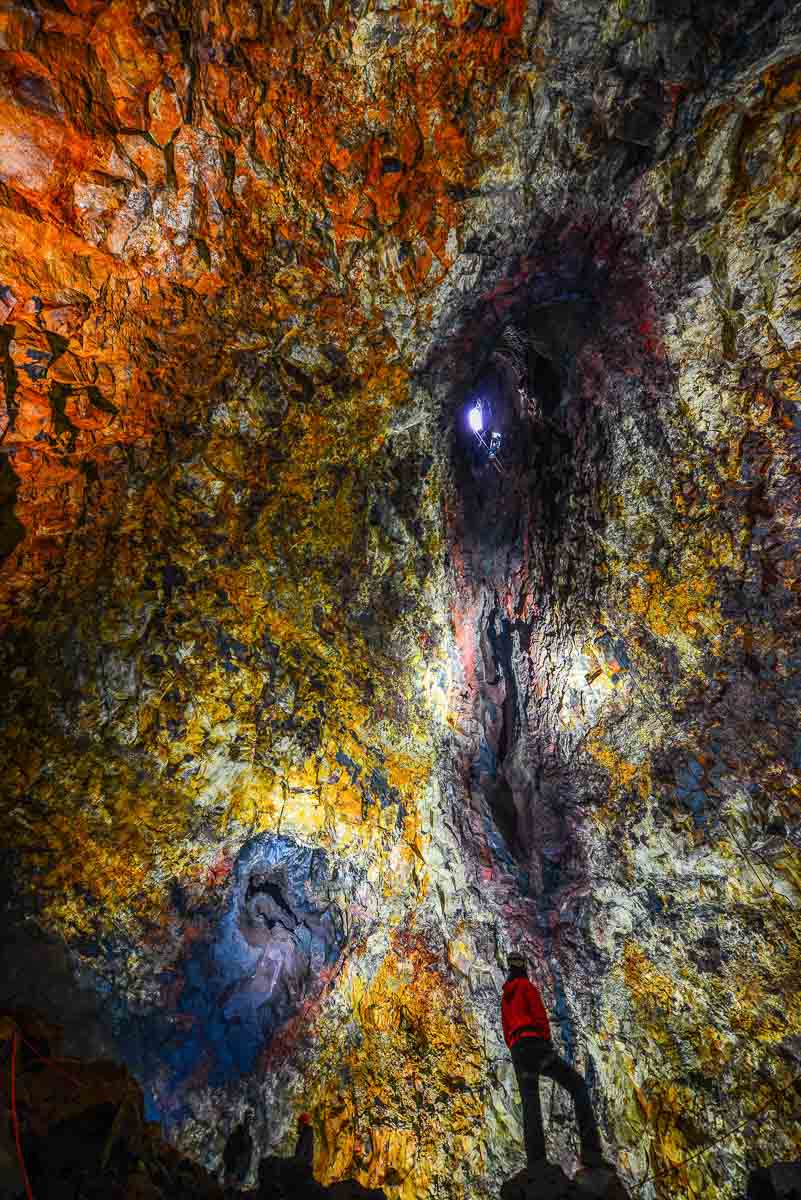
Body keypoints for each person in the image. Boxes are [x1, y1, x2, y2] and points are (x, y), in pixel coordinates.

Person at [502, 950, 606, 1169]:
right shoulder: (526, 987)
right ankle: (591, 1152)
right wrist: (545, 1043)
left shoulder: (506, 997)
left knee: (531, 1107)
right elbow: (539, 1016)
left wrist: (515, 1049)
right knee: (576, 1084)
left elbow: (506, 1029)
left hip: (518, 1051)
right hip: (535, 1044)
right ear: (523, 967)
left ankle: (536, 1164)